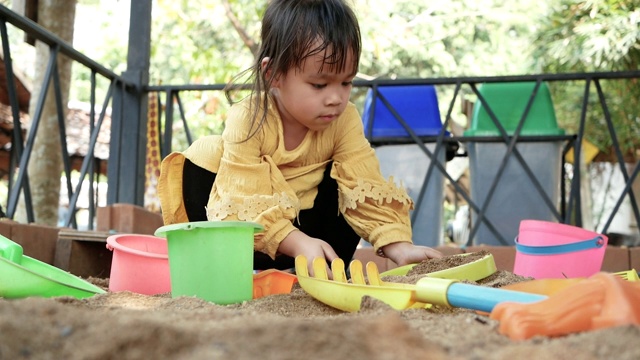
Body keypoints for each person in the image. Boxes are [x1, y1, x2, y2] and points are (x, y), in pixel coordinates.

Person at [158, 0, 442, 272]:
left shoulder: (344, 119)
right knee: (205, 153)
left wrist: (398, 245)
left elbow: (363, 183)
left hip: (314, 245)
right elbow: (239, 199)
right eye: (319, 85)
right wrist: (294, 241)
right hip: (246, 242)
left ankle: (326, 272)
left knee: (347, 177)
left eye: (346, 82)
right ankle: (211, 266)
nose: (336, 98)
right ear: (274, 74)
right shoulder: (248, 117)